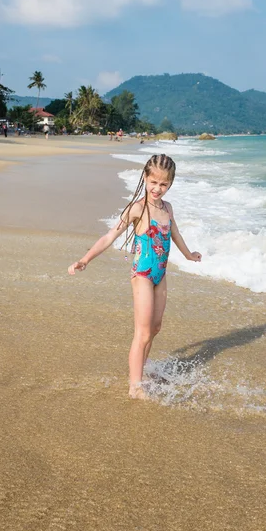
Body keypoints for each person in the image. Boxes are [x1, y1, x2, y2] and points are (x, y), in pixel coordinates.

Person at [68, 154, 202, 400]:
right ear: (145, 177)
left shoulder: (168, 208)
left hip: (160, 275)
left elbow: (176, 235)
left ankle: (142, 368)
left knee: (155, 327)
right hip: (142, 274)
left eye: (164, 184)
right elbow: (110, 236)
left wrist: (189, 255)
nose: (157, 189)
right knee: (141, 332)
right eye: (153, 182)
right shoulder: (137, 209)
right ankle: (135, 386)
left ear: (170, 184)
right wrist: (85, 259)